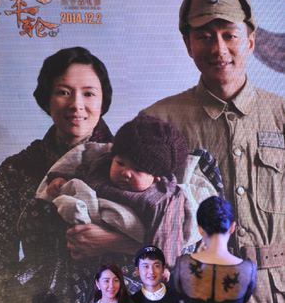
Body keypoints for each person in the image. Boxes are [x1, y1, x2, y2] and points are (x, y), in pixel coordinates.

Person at [141, 0, 285, 303]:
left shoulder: (281, 114)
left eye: (229, 35)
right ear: (188, 45)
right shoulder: (158, 122)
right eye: (204, 36)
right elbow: (136, 209)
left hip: (277, 297)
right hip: (195, 297)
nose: (218, 48)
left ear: (250, 41)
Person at [0, 46, 139, 303]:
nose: (76, 105)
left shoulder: (135, 163)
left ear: (103, 100)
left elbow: (173, 244)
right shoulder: (17, 171)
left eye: (89, 94)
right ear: (47, 98)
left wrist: (111, 241)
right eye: (64, 92)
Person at [36, 114, 221, 269]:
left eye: (138, 169)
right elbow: (81, 172)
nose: (126, 172)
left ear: (156, 177)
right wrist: (60, 180)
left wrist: (160, 262)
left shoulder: (159, 198)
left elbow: (167, 233)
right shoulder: (102, 166)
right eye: (120, 163)